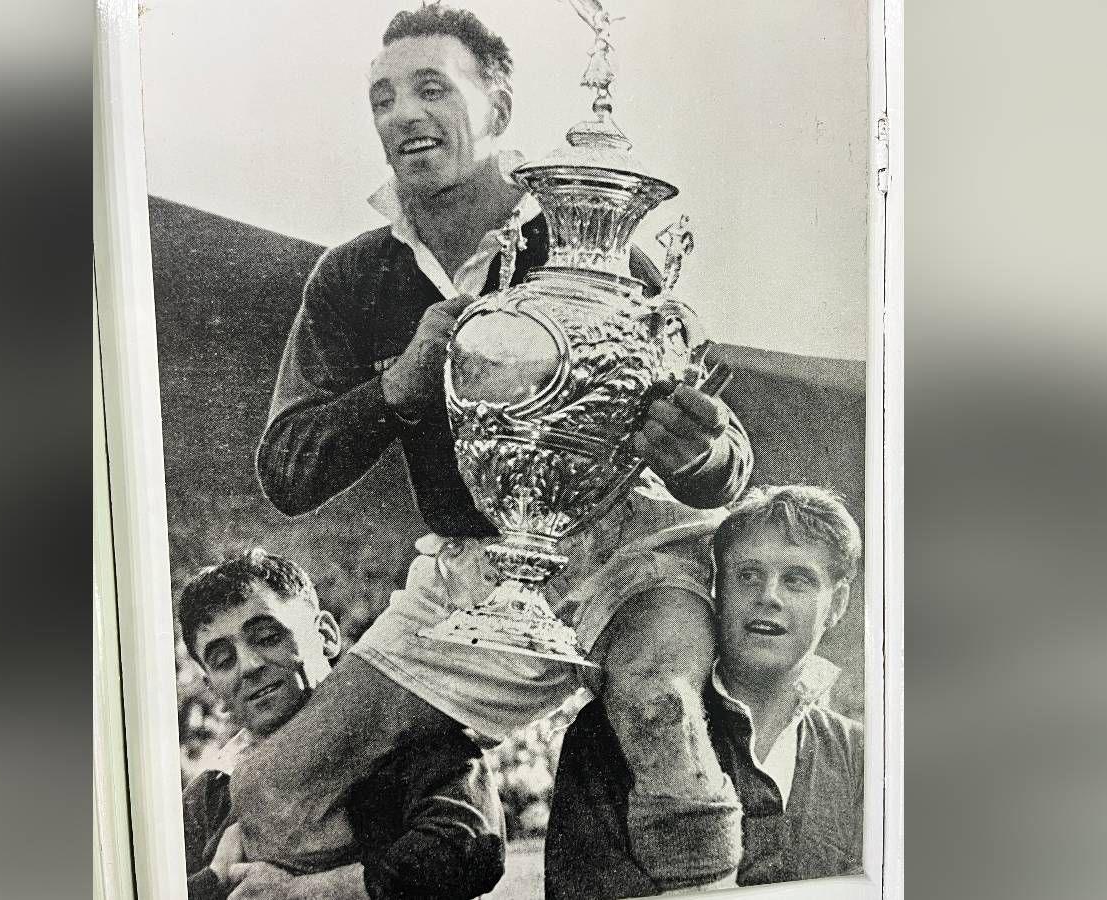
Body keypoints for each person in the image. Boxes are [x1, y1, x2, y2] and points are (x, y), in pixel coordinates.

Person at [241, 4, 755, 892]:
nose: (402, 113)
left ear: (500, 109)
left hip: (621, 557)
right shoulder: (354, 274)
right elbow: (285, 469)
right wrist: (393, 389)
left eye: (431, 87)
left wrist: (696, 454)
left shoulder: (591, 249)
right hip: (467, 577)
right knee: (270, 789)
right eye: (382, 98)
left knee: (657, 706)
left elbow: (723, 458)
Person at [545, 486, 865, 898]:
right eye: (748, 574)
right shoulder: (614, 731)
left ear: (837, 603)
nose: (768, 596)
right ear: (717, 589)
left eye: (797, 580)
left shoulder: (859, 755)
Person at [177, 549, 505, 900]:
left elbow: (470, 846)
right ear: (213, 688)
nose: (249, 665)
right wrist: (213, 880)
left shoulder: (410, 731)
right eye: (224, 660)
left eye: (268, 638)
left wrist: (302, 892)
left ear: (327, 635)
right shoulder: (208, 795)